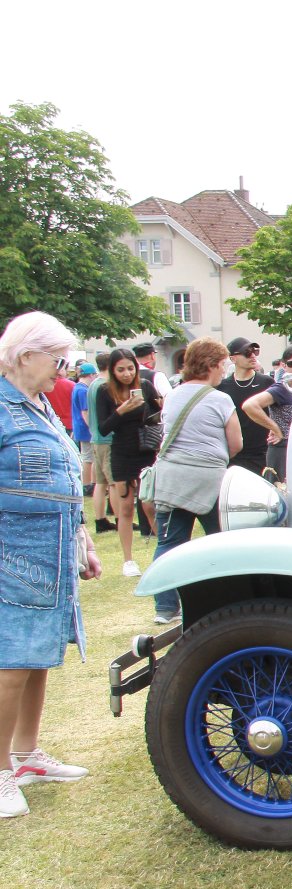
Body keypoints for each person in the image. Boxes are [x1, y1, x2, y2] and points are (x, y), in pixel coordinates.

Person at [0, 311, 101, 817]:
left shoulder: (39, 405)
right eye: (56, 359)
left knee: (38, 654)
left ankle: (25, 753)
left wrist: (84, 538)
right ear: (24, 355)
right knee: (12, 660)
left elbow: (63, 477)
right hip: (12, 552)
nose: (63, 369)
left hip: (53, 550)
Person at [147, 339, 242, 625]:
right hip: (209, 479)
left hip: (173, 478)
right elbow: (236, 443)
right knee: (220, 542)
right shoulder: (220, 399)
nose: (224, 370)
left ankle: (165, 607)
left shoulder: (173, 395)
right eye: (222, 364)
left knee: (169, 543)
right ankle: (227, 599)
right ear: (211, 365)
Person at [95, 348, 161, 577]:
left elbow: (159, 414)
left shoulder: (145, 386)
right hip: (122, 452)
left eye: (130, 368)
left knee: (150, 505)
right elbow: (103, 428)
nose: (126, 374)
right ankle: (128, 560)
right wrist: (122, 410)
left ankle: (163, 552)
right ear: (112, 371)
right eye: (121, 369)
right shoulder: (105, 391)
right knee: (125, 508)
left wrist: (156, 406)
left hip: (146, 451)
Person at [243, 345, 292, 481]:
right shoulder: (281, 389)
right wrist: (275, 428)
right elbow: (250, 405)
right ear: (284, 366)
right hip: (282, 454)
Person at [218, 338, 273, 475]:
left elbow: (279, 411)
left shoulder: (266, 382)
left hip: (262, 454)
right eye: (247, 352)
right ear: (233, 358)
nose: (253, 355)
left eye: (255, 351)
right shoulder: (222, 387)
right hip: (233, 456)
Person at [85, 352, 116, 533]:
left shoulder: (92, 385)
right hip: (107, 438)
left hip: (95, 438)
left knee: (100, 482)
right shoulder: (105, 385)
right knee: (113, 482)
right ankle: (119, 518)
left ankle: (100, 519)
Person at [70, 361, 97, 496]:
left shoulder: (77, 387)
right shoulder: (83, 391)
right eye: (95, 375)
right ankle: (87, 485)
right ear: (90, 375)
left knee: (88, 457)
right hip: (86, 428)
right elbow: (85, 412)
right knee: (88, 458)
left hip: (80, 427)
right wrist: (93, 428)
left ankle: (88, 483)